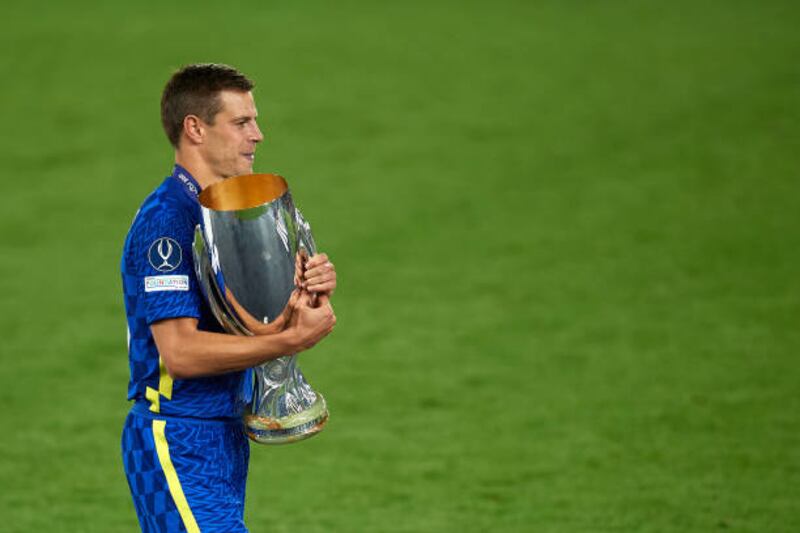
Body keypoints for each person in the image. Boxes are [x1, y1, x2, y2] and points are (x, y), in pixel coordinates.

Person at [120, 63, 337, 532]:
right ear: (195, 129)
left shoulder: (225, 213)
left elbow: (245, 319)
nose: (258, 135)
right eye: (242, 123)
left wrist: (302, 296)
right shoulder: (168, 222)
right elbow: (181, 353)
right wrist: (290, 341)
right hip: (176, 437)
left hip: (221, 432)